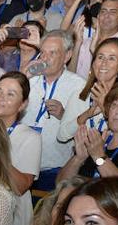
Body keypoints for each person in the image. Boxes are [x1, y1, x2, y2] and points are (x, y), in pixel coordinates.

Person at [23, 30, 87, 188]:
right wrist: (23, 77)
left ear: (67, 56)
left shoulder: (79, 85)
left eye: (52, 53)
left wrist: (64, 115)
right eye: (42, 52)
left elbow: (83, 126)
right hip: (21, 163)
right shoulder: (29, 79)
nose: (45, 58)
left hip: (55, 168)